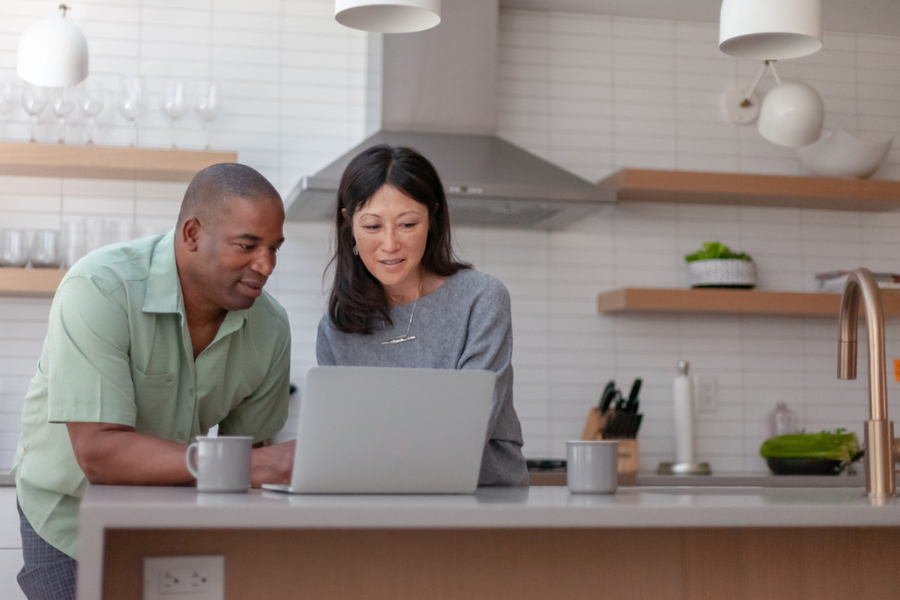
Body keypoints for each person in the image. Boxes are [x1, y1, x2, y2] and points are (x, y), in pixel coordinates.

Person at [12, 163, 296, 600]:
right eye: (248, 245)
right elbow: (100, 453)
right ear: (192, 235)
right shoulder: (101, 287)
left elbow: (251, 467)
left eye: (275, 248)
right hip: (69, 514)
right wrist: (258, 466)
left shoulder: (271, 328)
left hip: (170, 513)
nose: (266, 264)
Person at [316, 145, 529, 487]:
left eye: (407, 224)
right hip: (376, 501)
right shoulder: (336, 328)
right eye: (372, 226)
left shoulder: (481, 299)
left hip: (484, 502)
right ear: (349, 225)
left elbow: (469, 426)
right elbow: (340, 440)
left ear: (432, 219)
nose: (389, 244)